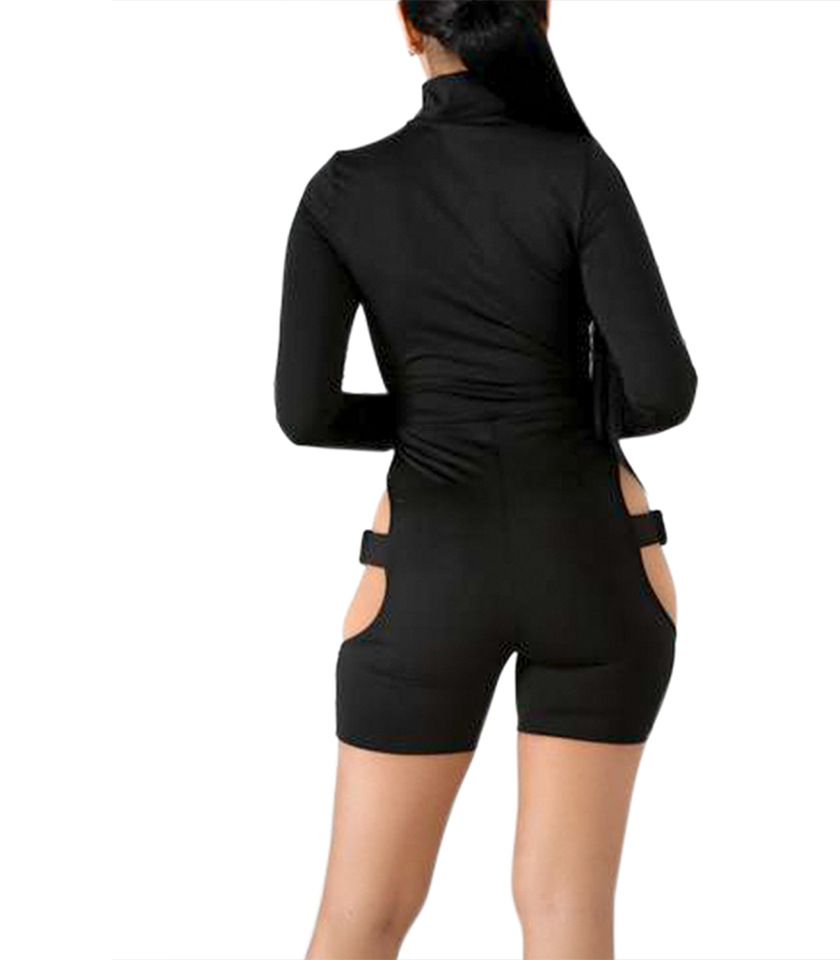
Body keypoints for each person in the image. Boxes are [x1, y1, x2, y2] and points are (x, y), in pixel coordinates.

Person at [274, 2, 697, 957]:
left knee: (361, 916)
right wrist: (547, 408)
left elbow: (305, 414)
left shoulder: (344, 191)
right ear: (541, 18)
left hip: (430, 567)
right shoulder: (578, 168)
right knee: (566, 911)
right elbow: (664, 390)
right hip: (597, 562)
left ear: (406, 24)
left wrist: (434, 416)